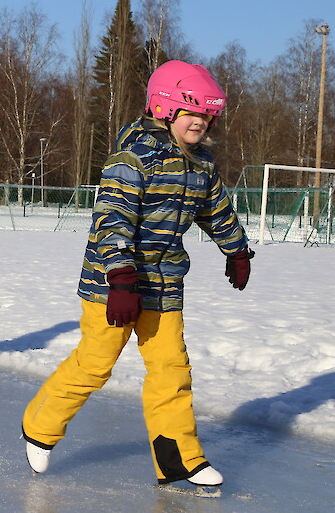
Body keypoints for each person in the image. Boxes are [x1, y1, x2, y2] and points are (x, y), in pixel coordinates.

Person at [21, 61, 254, 489]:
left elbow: (215, 208)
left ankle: (180, 460)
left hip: (164, 285)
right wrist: (121, 279)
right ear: (165, 110)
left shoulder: (201, 164)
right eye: (193, 114)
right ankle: (39, 426)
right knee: (95, 364)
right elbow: (112, 220)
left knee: (171, 369)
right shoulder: (133, 158)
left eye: (207, 115)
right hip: (112, 285)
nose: (201, 123)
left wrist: (236, 249)